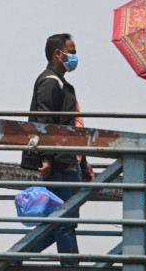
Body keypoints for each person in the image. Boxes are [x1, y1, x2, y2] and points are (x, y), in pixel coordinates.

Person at [20, 33, 94, 267]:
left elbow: (73, 128)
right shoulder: (50, 81)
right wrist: (47, 158)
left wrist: (83, 163)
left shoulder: (62, 83)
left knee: (60, 225)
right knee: (65, 223)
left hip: (70, 161)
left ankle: (15, 257)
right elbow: (43, 121)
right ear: (57, 54)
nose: (74, 56)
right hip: (60, 163)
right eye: (71, 52)